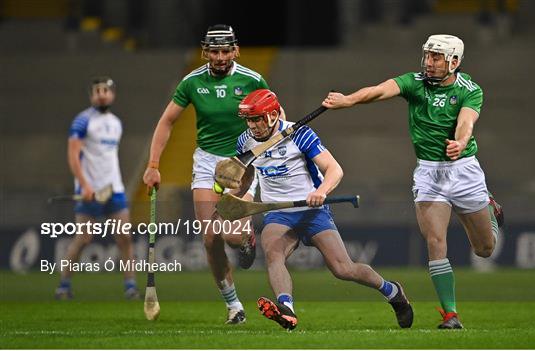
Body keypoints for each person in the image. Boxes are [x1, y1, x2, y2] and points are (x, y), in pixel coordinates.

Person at [322, 34, 504, 329]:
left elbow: (466, 122)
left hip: (465, 171)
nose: (429, 63)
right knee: (435, 241)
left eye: (436, 58)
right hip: (429, 174)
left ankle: (490, 208)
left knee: (484, 249)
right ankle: (451, 315)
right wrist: (347, 100)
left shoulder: (470, 89)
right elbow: (379, 91)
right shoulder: (414, 82)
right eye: (428, 56)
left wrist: (460, 142)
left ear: (453, 62)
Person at [233, 89, 413, 330]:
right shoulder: (244, 141)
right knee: (274, 255)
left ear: (273, 116)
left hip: (312, 211)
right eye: (249, 120)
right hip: (278, 212)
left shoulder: (300, 134)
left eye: (257, 119)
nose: (252, 125)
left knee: (343, 269)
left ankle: (392, 291)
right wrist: (233, 192)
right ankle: (287, 309)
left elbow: (334, 169)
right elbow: (246, 176)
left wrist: (321, 192)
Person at [143, 24, 282, 324]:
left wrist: (275, 151)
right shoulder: (192, 82)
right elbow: (166, 122)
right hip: (207, 164)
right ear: (205, 51)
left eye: (225, 50)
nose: (220, 57)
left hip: (242, 163)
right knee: (209, 239)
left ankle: (244, 241)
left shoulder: (252, 78)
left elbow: (276, 115)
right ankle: (234, 306)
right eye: (214, 51)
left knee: (230, 236)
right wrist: (154, 165)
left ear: (236, 50)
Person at [55, 76, 139, 300]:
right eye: (97, 91)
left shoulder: (117, 123)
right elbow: (73, 155)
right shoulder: (82, 121)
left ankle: (130, 287)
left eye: (106, 90)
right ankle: (64, 285)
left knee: (125, 238)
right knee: (83, 239)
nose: (102, 94)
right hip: (89, 191)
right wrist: (84, 185)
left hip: (114, 189)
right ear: (92, 95)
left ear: (112, 94)